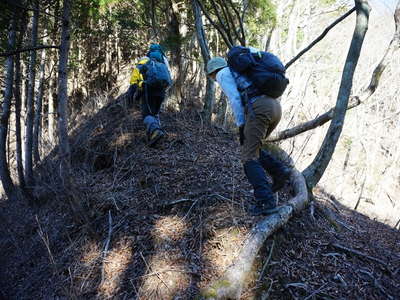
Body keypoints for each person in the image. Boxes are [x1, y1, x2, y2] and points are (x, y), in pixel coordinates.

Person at [206, 55, 291, 216]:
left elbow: (235, 98)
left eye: (212, 77)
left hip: (260, 108)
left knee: (248, 156)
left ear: (212, 72)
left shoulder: (222, 74)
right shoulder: (240, 72)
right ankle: (279, 171)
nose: (214, 80)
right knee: (254, 148)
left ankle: (266, 201)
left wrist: (241, 125)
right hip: (274, 107)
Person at [127, 44, 171, 146]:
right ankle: (157, 139)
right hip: (161, 91)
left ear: (150, 52)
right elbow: (169, 79)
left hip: (149, 90)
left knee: (147, 114)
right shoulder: (163, 63)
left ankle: (156, 132)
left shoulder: (145, 60)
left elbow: (136, 74)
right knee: (155, 113)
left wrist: (132, 90)